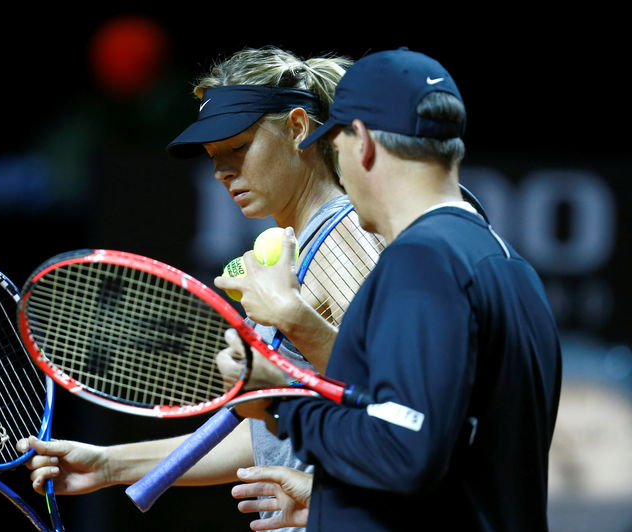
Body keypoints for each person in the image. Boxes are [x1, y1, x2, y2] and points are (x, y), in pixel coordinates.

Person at [16, 46, 384, 532]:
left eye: (239, 147)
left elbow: (403, 408)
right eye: (214, 157)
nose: (222, 171)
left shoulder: (346, 239)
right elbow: (270, 436)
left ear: (298, 128)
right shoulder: (298, 249)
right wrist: (109, 464)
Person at [214, 47, 563, 531]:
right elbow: (445, 448)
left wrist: (280, 398)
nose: (339, 172)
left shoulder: (422, 262)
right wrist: (330, 501)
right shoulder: (510, 265)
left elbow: (404, 449)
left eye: (335, 149)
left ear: (362, 143)